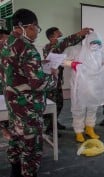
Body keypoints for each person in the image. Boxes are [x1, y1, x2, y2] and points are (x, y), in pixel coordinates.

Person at [0, 9, 57, 177]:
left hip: (13, 105)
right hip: (28, 109)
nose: (36, 33)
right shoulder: (27, 48)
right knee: (31, 149)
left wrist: (38, 64)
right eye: (36, 29)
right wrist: (54, 77)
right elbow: (37, 83)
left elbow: (15, 69)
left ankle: (15, 172)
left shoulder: (5, 43)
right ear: (29, 26)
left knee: (16, 141)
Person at [65, 31, 104, 142]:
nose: (95, 44)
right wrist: (72, 64)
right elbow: (62, 60)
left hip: (94, 85)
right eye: (93, 42)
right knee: (79, 107)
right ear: (87, 41)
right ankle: (79, 131)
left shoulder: (100, 52)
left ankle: (90, 128)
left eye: (98, 42)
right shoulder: (76, 50)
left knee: (93, 107)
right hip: (79, 84)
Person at [43, 26, 91, 135]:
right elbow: (65, 42)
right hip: (50, 81)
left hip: (57, 80)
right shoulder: (49, 47)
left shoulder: (59, 45)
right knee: (52, 104)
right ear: (51, 38)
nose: (61, 36)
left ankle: (55, 122)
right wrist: (79, 34)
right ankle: (49, 128)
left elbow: (68, 43)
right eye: (58, 35)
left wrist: (82, 35)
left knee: (59, 103)